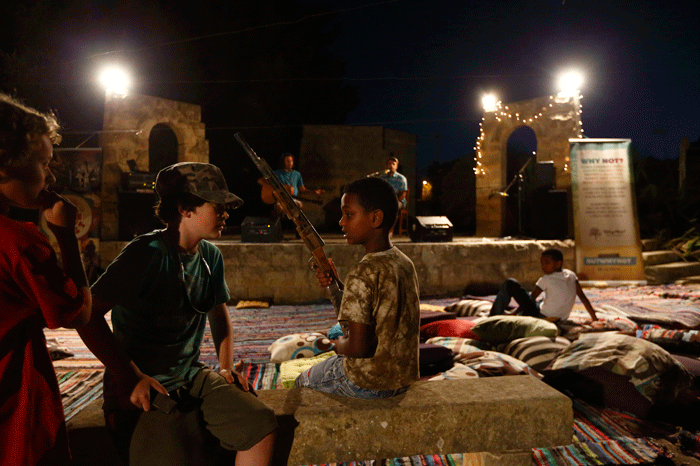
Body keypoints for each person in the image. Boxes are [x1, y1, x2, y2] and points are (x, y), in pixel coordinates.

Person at [77, 162, 277, 466]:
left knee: (260, 423)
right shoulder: (145, 254)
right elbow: (87, 315)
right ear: (185, 208)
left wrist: (225, 366)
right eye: (217, 206)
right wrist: (129, 376)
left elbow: (219, 315)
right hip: (143, 382)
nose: (226, 213)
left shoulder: (210, 257)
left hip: (189, 374)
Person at [0, 93, 92, 466]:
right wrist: (67, 236)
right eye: (42, 163)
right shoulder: (20, 242)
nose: (51, 176)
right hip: (15, 416)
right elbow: (77, 313)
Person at [295, 176, 420, 398]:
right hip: (402, 377)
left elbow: (358, 348)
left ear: (376, 218)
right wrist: (335, 285)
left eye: (349, 214)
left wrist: (334, 344)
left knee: (301, 381)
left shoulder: (363, 272)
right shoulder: (404, 262)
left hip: (368, 381)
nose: (341, 222)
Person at [488, 248, 597, 322]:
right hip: (561, 318)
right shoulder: (571, 275)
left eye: (547, 263)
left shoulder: (546, 279)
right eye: (542, 263)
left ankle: (493, 317)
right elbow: (582, 297)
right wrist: (594, 319)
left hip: (541, 316)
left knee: (510, 283)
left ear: (558, 263)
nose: (543, 266)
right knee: (542, 300)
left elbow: (531, 299)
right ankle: (512, 312)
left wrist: (515, 313)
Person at [258, 152, 324, 211]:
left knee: (299, 206)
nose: (290, 163)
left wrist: (314, 192)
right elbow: (260, 181)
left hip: (293, 199)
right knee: (280, 208)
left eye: (291, 161)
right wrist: (274, 188)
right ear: (283, 162)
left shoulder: (297, 174)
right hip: (281, 200)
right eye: (287, 161)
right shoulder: (277, 173)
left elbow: (303, 190)